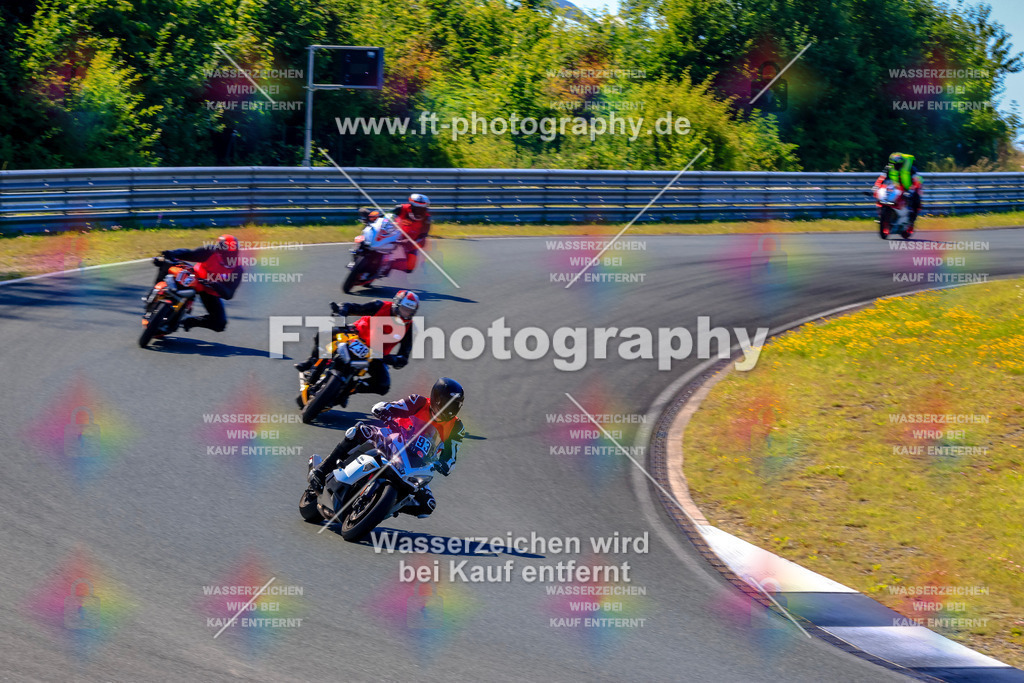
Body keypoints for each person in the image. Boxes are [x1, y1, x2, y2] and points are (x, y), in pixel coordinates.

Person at [306, 378, 466, 518]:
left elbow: (451, 456)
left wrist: (444, 464)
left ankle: (384, 506)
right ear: (436, 398)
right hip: (392, 438)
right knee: (358, 431)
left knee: (427, 505)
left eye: (454, 406)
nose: (449, 410)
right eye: (446, 404)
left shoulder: (456, 427)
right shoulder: (419, 402)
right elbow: (393, 406)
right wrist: (384, 411)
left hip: (417, 463)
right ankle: (321, 469)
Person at [293, 290, 420, 396]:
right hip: (354, 336)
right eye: (404, 309)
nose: (406, 314)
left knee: (383, 386)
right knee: (323, 334)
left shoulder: (409, 327)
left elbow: (404, 356)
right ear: (396, 305)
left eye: (409, 312)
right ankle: (312, 361)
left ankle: (351, 388)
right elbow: (350, 306)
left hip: (375, 355)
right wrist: (341, 313)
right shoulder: (379, 306)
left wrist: (392, 359)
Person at [153, 234, 243, 332]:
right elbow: (190, 254)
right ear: (219, 251)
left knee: (220, 323)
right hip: (194, 277)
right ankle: (156, 292)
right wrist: (172, 253)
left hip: (209, 289)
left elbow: (229, 293)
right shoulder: (210, 251)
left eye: (233, 253)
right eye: (227, 254)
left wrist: (214, 284)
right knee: (166, 263)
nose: (230, 257)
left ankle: (190, 321)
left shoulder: (237, 269)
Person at [874, 153, 923, 226]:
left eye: (898, 164)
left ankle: (912, 218)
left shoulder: (911, 168)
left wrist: (912, 190)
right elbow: (881, 178)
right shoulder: (888, 168)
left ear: (902, 163)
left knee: (916, 197)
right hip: (895, 188)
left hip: (909, 188)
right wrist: (876, 187)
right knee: (880, 197)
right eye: (894, 164)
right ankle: (881, 216)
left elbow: (917, 180)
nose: (896, 166)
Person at [389, 193, 431, 274]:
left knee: (409, 268)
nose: (419, 211)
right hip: (393, 236)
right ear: (411, 205)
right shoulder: (401, 208)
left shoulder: (427, 218)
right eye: (416, 208)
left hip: (411, 242)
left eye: (422, 208)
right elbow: (386, 216)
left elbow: (423, 235)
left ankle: (389, 265)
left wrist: (413, 243)